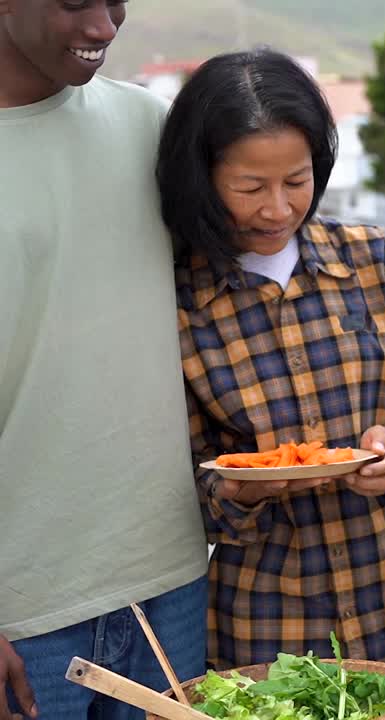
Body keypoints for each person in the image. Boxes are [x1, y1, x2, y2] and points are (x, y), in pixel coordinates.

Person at [155, 48, 385, 677]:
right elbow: (179, 486)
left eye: (297, 181)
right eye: (250, 187)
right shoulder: (176, 304)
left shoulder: (376, 261)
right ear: (201, 177)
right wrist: (245, 489)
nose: (278, 208)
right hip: (272, 622)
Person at [1, 3, 209, 719]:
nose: (102, 27)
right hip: (21, 620)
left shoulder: (147, 126)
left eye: (116, 0)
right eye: (73, 2)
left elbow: (253, 243)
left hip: (170, 589)